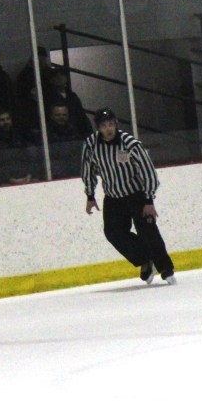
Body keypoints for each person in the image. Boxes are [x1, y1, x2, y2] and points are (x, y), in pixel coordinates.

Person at [81, 107, 176, 285]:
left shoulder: (130, 143)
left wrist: (148, 200)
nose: (108, 129)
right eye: (104, 126)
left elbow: (148, 171)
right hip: (113, 198)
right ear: (98, 128)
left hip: (137, 195)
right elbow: (88, 170)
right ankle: (144, 259)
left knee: (147, 231)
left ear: (116, 124)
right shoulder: (91, 145)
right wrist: (90, 195)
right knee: (113, 233)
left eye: (111, 124)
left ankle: (165, 268)